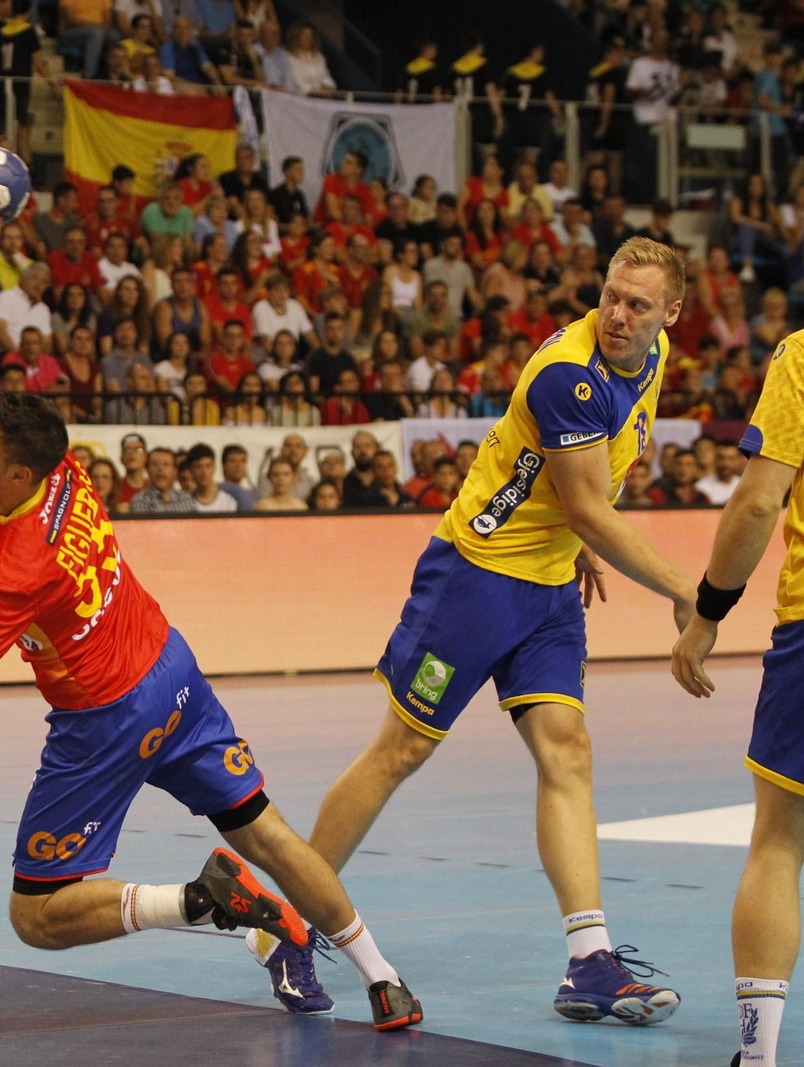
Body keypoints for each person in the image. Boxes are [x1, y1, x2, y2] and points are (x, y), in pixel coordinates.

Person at [0, 219, 423, 1031]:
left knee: (35, 914)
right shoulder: (54, 460)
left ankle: (202, 900)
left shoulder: (12, 564)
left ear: (16, 469)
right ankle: (383, 978)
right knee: (268, 830)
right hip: (173, 671)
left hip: (106, 715)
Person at [298, 238, 696, 1021]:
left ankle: (589, 960)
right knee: (400, 751)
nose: (618, 314)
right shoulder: (568, 375)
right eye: (612, 295)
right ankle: (295, 916)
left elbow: (593, 478)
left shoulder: (651, 357)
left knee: (567, 751)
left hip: (546, 590)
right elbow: (588, 502)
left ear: (670, 314)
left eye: (638, 305)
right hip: (476, 578)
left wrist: (575, 543)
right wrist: (686, 589)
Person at [670, 321, 804, 1067]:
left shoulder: (802, 355)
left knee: (780, 843)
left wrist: (707, 615)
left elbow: (758, 502)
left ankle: (758, 1057)